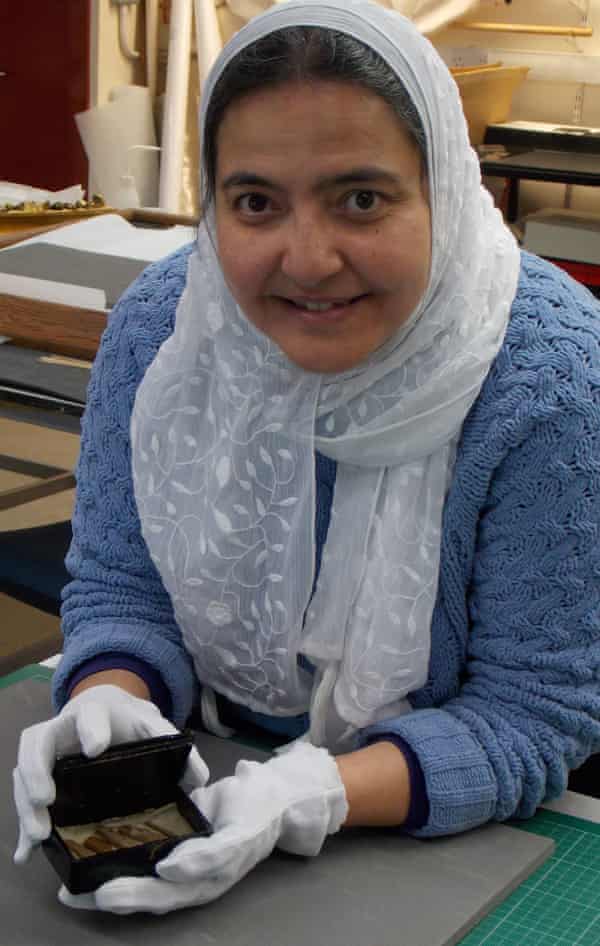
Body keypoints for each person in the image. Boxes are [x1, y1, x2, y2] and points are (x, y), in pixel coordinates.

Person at [13, 0, 600, 916]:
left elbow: (534, 717)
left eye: (361, 198)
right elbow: (123, 586)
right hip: (208, 761)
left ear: (442, 185)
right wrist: (108, 689)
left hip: (433, 835)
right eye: (254, 202)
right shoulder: (165, 333)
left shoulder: (550, 380)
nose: (309, 259)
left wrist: (312, 794)